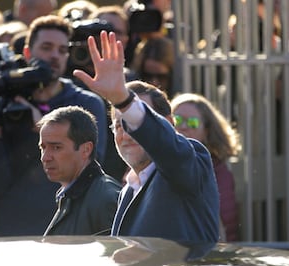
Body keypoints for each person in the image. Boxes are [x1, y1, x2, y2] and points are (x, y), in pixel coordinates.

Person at [73, 31, 219, 242]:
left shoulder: (189, 160)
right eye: (119, 125)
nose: (127, 132)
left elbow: (164, 143)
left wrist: (123, 100)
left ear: (168, 124)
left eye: (132, 121)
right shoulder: (127, 189)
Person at [0, 15, 108, 237]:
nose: (54, 56)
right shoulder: (3, 101)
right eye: (47, 48)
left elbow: (91, 166)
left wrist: (43, 126)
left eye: (62, 50)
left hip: (65, 229)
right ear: (28, 53)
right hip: (9, 231)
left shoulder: (86, 103)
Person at [37, 106, 121, 235]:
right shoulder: (69, 196)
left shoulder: (105, 199)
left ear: (86, 149)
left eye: (56, 147)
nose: (45, 157)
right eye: (43, 148)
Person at [171, 92, 241, 241]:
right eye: (176, 120)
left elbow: (224, 222)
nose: (183, 127)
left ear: (206, 131)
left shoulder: (218, 172)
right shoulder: (149, 162)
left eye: (192, 123)